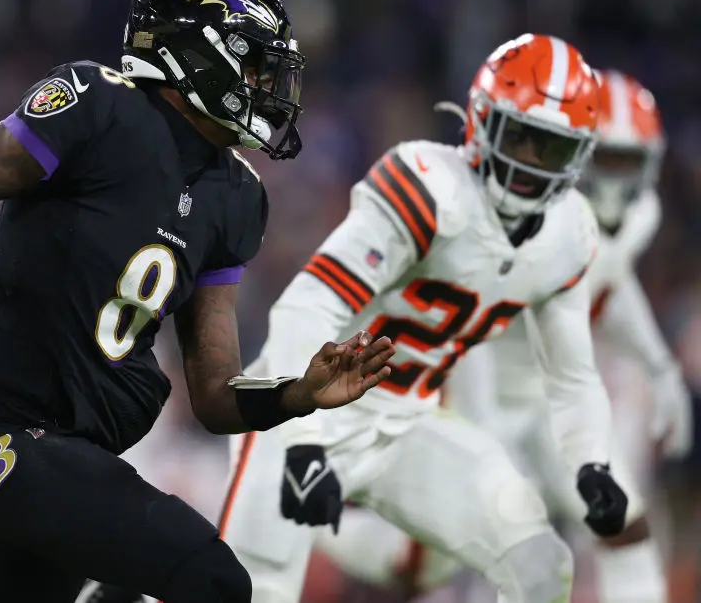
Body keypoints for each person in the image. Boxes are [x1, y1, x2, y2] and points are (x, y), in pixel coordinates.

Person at [0, 0, 395, 603]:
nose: (266, 85)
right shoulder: (99, 105)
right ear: (198, 54)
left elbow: (214, 394)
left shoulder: (237, 197)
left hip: (75, 456)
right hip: (0, 436)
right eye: (253, 65)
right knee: (215, 580)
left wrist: (296, 394)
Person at [216, 33, 631, 603]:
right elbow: (310, 302)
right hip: (306, 404)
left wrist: (593, 464)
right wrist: (303, 437)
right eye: (522, 138)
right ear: (483, 121)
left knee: (540, 564)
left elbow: (572, 372)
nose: (531, 163)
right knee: (253, 588)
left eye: (551, 148)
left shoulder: (569, 233)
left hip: (408, 423)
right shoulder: (431, 187)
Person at [312, 69, 694, 603]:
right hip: (466, 381)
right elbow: (474, 332)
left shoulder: (636, 218)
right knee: (432, 560)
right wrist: (482, 442)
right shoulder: (522, 220)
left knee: (623, 520)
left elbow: (611, 280)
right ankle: (312, 525)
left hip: (542, 399)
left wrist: (657, 364)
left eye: (626, 162)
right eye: (603, 158)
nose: (612, 179)